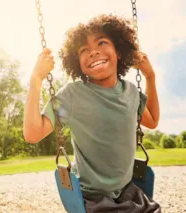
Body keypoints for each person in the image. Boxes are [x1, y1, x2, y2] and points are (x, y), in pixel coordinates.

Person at [23, 14, 161, 212]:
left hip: (128, 192)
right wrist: (36, 79)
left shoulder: (131, 92)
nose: (93, 52)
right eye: (84, 50)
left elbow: (153, 120)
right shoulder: (72, 96)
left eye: (102, 42)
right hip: (92, 199)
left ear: (119, 51)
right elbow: (33, 133)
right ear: (77, 62)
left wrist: (150, 76)